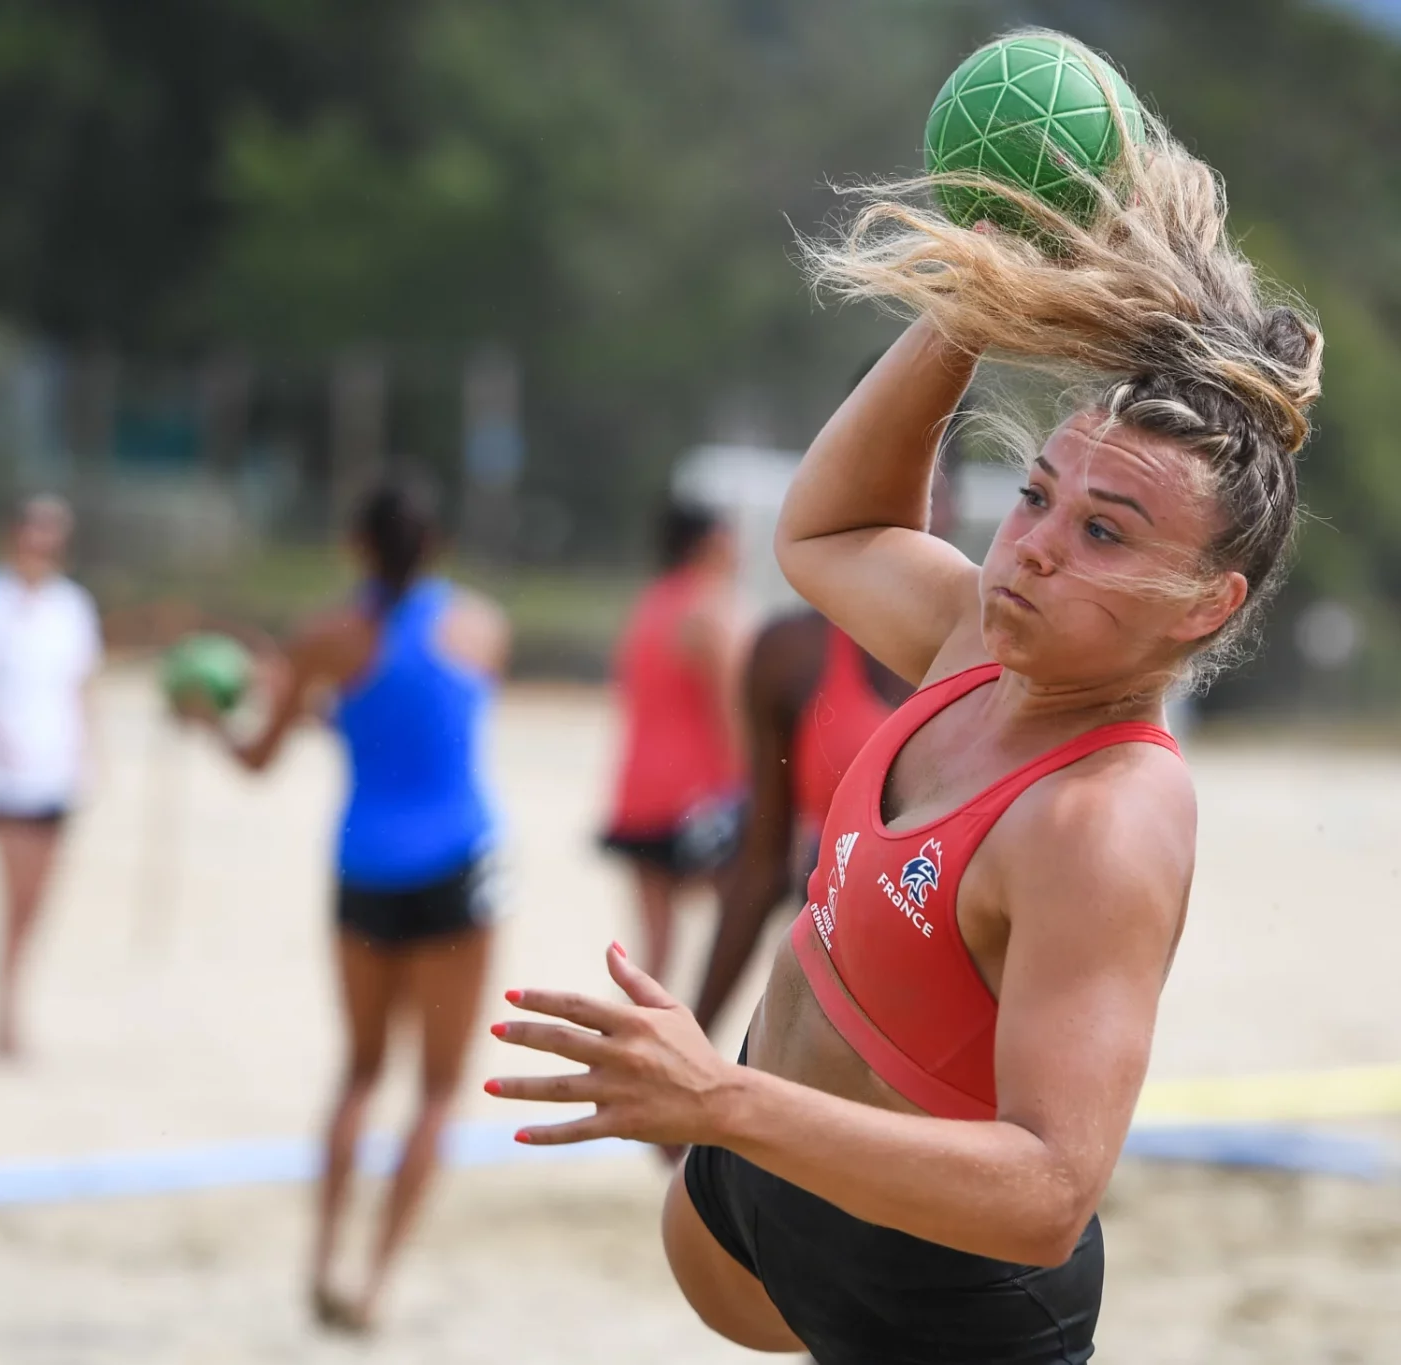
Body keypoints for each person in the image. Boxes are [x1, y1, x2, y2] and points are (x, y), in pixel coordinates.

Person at [487, 43, 1321, 1364]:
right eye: (1039, 493)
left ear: (1205, 605)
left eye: (1106, 533)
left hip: (943, 1315)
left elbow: (1049, 1194)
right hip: (763, 1209)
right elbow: (829, 531)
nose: (1036, 543)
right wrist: (980, 292)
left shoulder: (1103, 817)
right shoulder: (970, 640)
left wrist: (725, 1100)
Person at [180, 477, 508, 1335]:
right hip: (455, 868)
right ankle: (375, 1280)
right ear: (434, 546)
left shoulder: (323, 638)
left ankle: (321, 1258)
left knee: (361, 1072)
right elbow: (435, 721)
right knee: (437, 1090)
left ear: (354, 546)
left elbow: (259, 757)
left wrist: (208, 717)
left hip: (364, 868)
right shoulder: (480, 626)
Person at [687, 395, 964, 1043]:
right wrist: (693, 1039)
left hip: (941, 1037)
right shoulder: (792, 656)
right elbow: (759, 866)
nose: (898, 506)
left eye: (923, 485)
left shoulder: (1000, 666)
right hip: (815, 1018)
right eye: (874, 476)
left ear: (948, 502)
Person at [0, 494, 103, 1059]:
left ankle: (11, 1003)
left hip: (56, 771)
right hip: (4, 776)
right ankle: (4, 1016)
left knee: (37, 902)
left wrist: (88, 757)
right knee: (14, 896)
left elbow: (82, 689)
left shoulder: (72, 606)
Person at [600, 501, 748, 983]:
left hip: (638, 791)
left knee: (656, 951)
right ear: (709, 543)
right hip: (696, 799)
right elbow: (733, 716)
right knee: (741, 922)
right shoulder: (708, 612)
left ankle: (635, 1042)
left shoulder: (649, 604)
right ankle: (701, 1040)